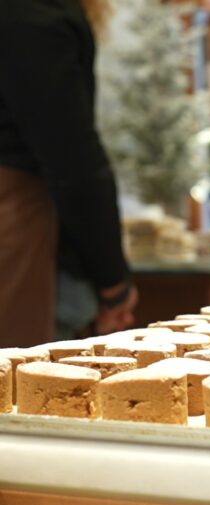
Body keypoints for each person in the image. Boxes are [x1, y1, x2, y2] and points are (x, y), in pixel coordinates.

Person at [0, 0, 137, 347]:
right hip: (16, 223)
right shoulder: (32, 16)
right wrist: (112, 281)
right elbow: (73, 159)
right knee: (21, 387)